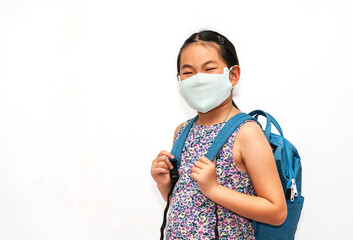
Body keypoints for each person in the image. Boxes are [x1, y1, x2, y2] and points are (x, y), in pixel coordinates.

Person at [151, 30, 287, 239]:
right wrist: (165, 186)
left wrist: (214, 189)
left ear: (233, 75)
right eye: (188, 72)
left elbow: (277, 212)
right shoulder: (182, 131)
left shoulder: (246, 132)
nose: (197, 79)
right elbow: (188, 204)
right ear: (179, 79)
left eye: (209, 69)